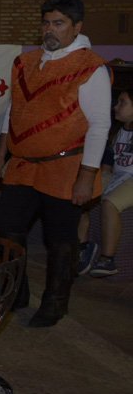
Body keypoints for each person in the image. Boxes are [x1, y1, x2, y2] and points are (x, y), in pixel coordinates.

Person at [0, 0, 113, 326]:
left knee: (60, 239)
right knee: (7, 228)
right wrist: (1, 154)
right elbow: (13, 111)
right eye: (46, 23)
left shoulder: (91, 67)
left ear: (77, 27)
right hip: (22, 165)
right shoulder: (25, 62)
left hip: (65, 168)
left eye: (59, 23)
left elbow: (100, 125)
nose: (50, 29)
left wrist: (86, 176)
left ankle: (55, 304)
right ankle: (14, 294)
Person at [77, 89, 133, 277]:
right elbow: (108, 163)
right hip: (117, 175)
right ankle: (83, 248)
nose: (115, 107)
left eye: (122, 103)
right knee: (82, 194)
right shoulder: (116, 131)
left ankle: (107, 259)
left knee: (109, 203)